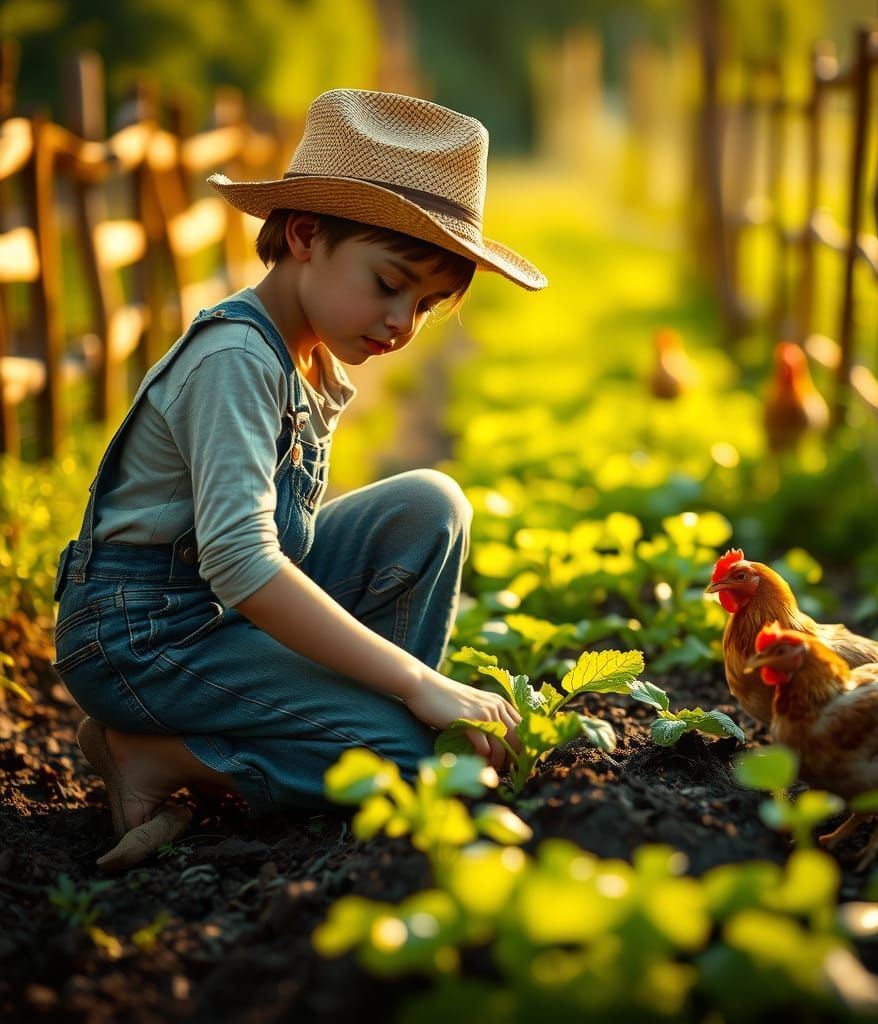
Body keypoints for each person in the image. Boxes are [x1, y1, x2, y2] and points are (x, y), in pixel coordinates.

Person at [52, 88, 547, 870]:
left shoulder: (304, 351)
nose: (402, 325)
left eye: (426, 304)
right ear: (307, 234)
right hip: (142, 638)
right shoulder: (238, 360)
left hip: (207, 617)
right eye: (390, 285)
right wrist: (419, 682)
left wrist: (410, 690)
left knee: (429, 506)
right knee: (425, 767)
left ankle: (338, 723)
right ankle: (166, 756)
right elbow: (244, 564)